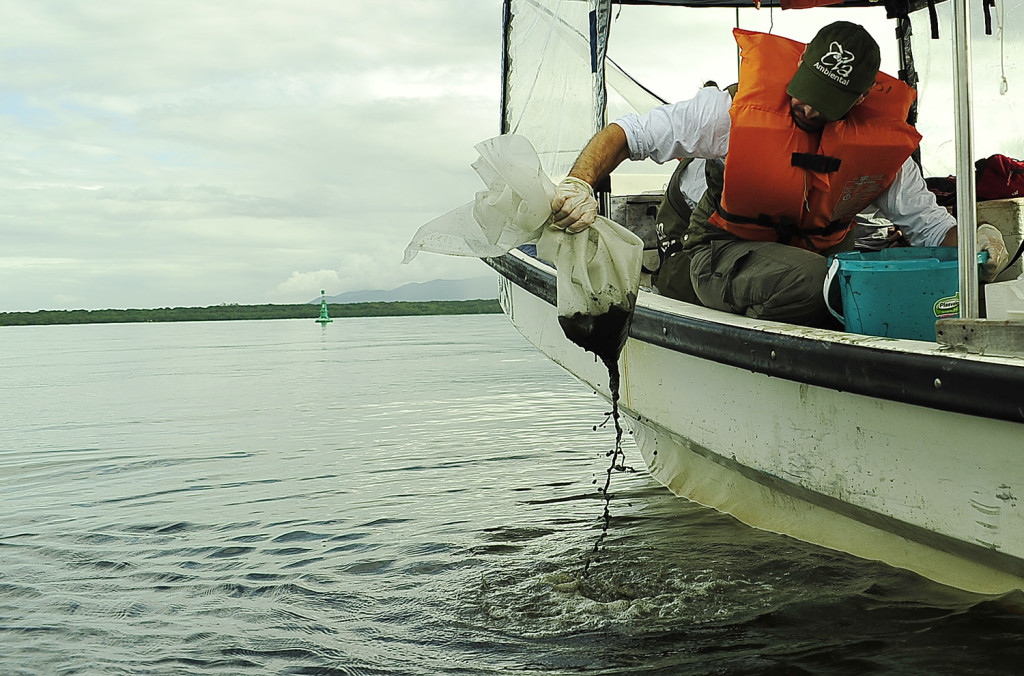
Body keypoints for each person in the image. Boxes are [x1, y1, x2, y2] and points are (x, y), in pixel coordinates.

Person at [549, 21, 1009, 327]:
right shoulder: (730, 111)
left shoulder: (882, 150)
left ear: (861, 100)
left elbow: (929, 228)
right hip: (723, 251)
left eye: (825, 102)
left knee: (876, 276)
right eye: (805, 90)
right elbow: (627, 133)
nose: (807, 106)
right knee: (822, 282)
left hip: (823, 256)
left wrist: (975, 246)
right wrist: (579, 184)